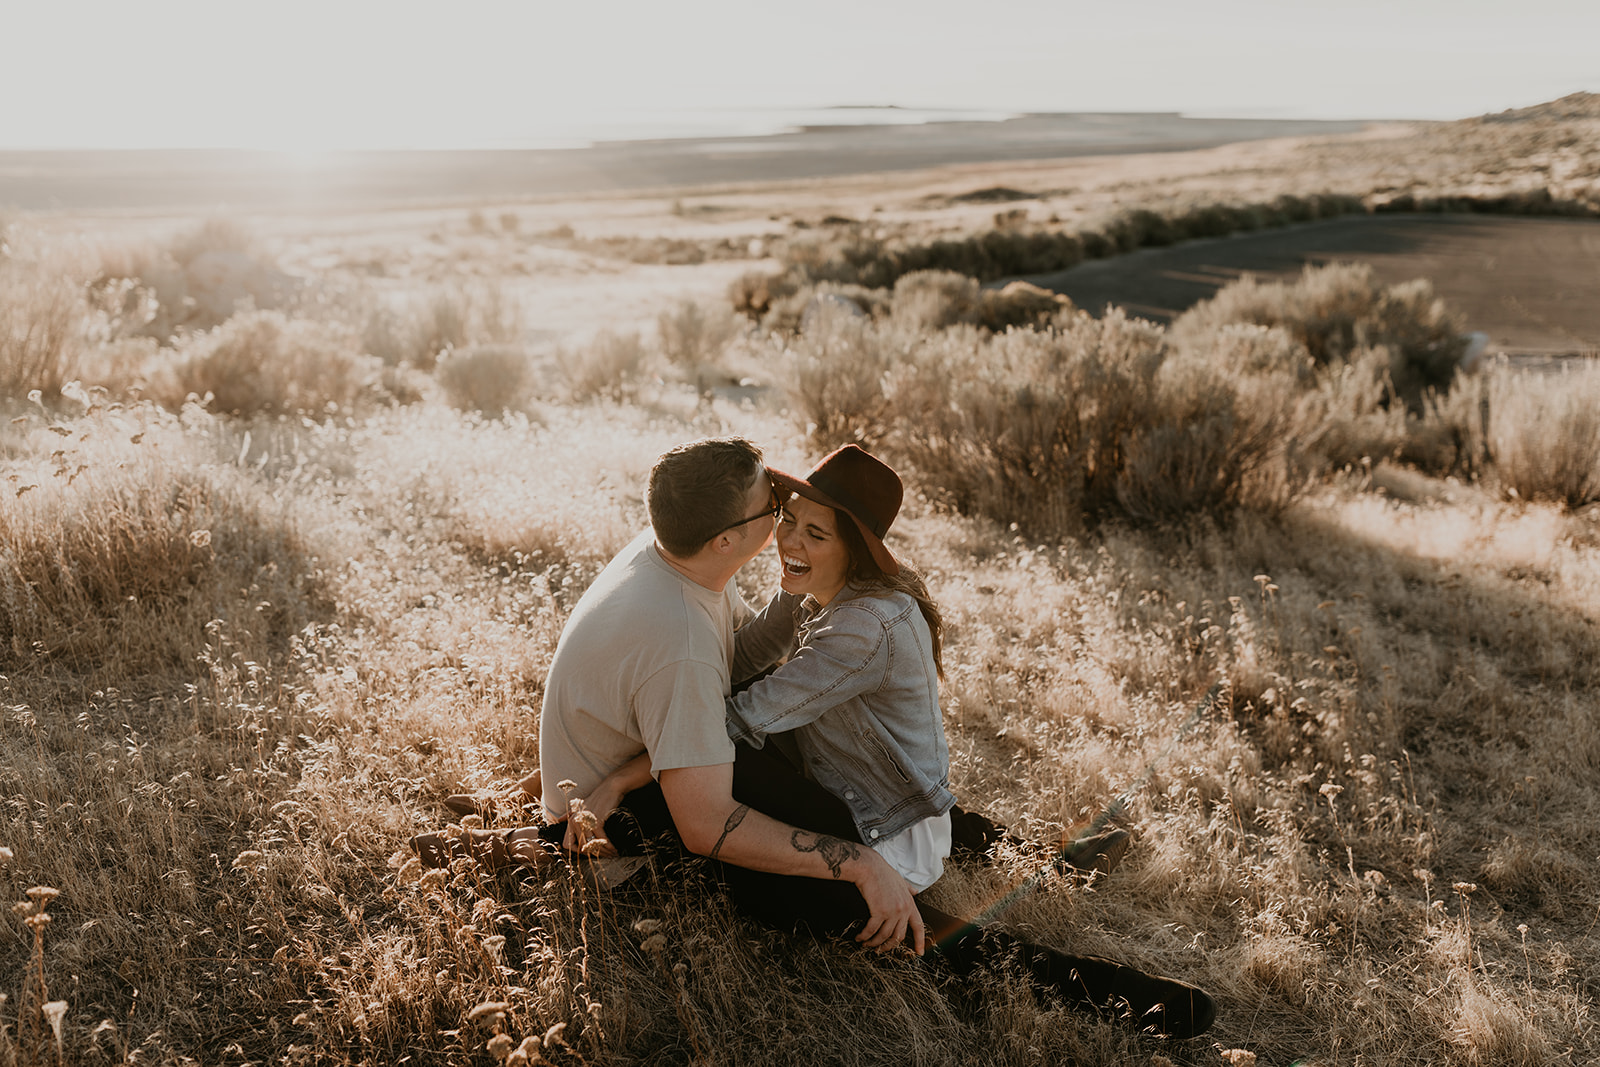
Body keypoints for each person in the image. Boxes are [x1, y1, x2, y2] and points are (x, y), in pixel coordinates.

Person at [415, 439, 1215, 1038]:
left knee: (882, 820)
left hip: (749, 775)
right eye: (777, 515)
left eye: (804, 524)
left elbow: (737, 693)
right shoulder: (699, 634)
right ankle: (1127, 990)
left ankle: (1064, 881)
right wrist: (860, 863)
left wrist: (618, 774)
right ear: (728, 536)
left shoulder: (673, 559)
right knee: (899, 920)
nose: (785, 530)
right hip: (702, 803)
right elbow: (710, 798)